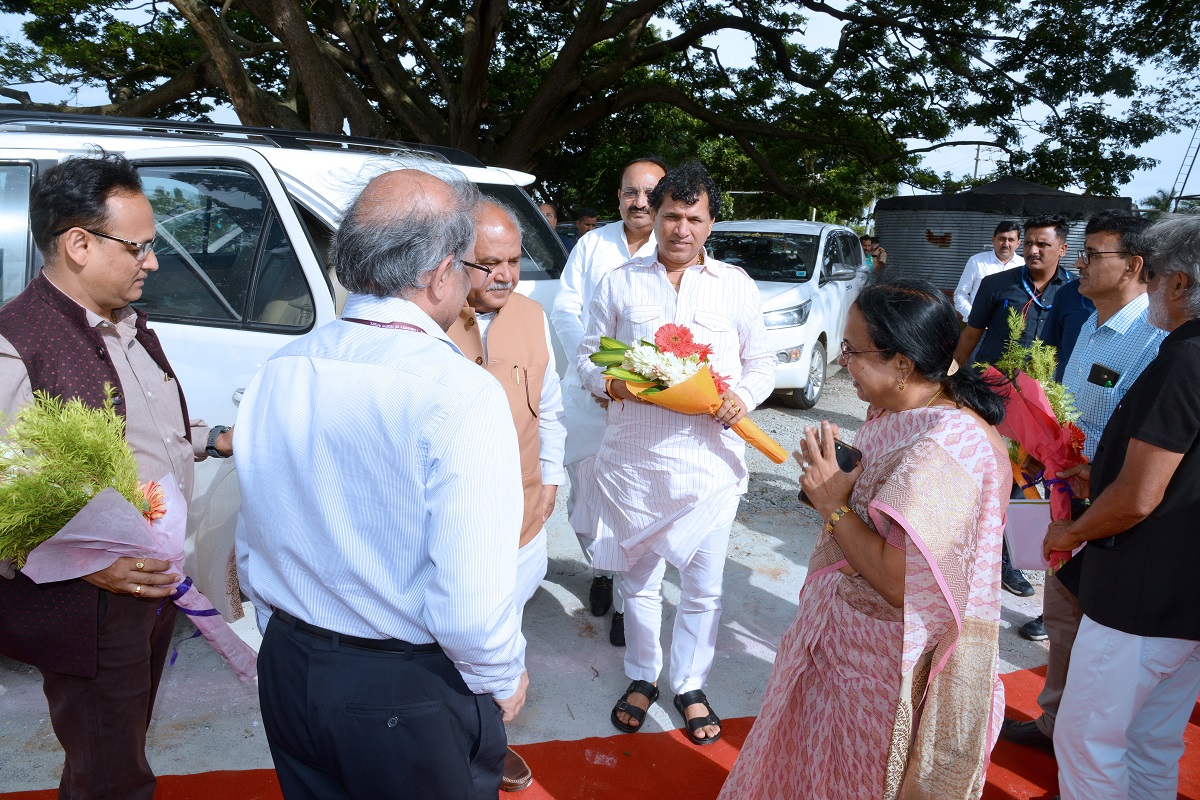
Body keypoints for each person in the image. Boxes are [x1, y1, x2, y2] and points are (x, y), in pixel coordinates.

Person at [235, 168, 529, 799]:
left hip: (290, 665)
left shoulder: (281, 368)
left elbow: (253, 532)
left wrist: (284, 630)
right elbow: (472, 602)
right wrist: (502, 676)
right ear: (441, 273)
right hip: (400, 690)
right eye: (470, 265)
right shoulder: (459, 392)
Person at [0, 152, 234, 800]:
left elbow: (146, 429)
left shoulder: (127, 324)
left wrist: (213, 439)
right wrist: (86, 564)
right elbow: (7, 495)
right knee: (112, 773)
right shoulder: (17, 344)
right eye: (139, 247)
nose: (152, 263)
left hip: (150, 586)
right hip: (91, 604)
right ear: (79, 244)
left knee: (112, 751)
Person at [720, 279, 1011, 799]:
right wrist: (839, 483)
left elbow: (897, 581)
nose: (843, 362)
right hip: (847, 644)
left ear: (902, 363)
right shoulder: (905, 412)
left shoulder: (944, 444)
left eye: (853, 351)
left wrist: (832, 504)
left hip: (881, 667)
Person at [576, 161, 775, 745]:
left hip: (709, 465)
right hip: (634, 464)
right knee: (638, 584)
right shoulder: (619, 282)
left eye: (693, 218)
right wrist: (615, 385)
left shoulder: (735, 284)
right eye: (670, 216)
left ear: (711, 223)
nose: (680, 229)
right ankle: (643, 675)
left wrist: (740, 398)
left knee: (703, 587)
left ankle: (689, 684)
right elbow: (589, 356)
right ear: (653, 216)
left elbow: (762, 362)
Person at [1043, 215, 1200, 800]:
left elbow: (1138, 497)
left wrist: (1070, 532)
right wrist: (1100, 473)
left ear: (1179, 284)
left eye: (1154, 275)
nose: (1149, 288)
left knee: (1087, 741)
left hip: (1141, 593)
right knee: (1150, 742)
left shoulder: (1184, 359)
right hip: (1183, 594)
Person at [1001, 211, 1163, 751]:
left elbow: (1147, 439)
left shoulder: (1154, 339)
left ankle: (1087, 743)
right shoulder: (1089, 323)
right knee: (1061, 617)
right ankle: (1055, 723)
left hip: (1113, 510)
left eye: (1093, 255)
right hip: (1066, 498)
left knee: (1101, 636)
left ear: (1133, 266)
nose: (1079, 263)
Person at [446, 200, 566, 792]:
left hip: (523, 515)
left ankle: (491, 743)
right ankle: (453, 745)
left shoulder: (533, 316)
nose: (505, 275)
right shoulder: (427, 320)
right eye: (489, 262)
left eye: (515, 261)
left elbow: (554, 410)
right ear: (452, 260)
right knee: (450, 642)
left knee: (506, 632)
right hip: (452, 521)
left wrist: (551, 484)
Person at [550, 155, 667, 646]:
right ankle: (601, 570)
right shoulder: (591, 245)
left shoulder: (674, 248)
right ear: (618, 197)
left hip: (645, 402)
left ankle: (624, 600)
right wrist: (597, 374)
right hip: (588, 396)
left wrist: (631, 381)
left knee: (634, 504)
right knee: (585, 499)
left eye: (650, 193)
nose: (640, 202)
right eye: (630, 192)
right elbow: (565, 308)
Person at [954, 213, 1073, 599]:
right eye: (1030, 243)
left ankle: (1006, 560)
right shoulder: (996, 284)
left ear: (1062, 249)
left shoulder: (1075, 293)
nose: (1034, 250)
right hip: (991, 397)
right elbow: (970, 336)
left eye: (1043, 244)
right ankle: (965, 549)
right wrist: (949, 382)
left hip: (1040, 407)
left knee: (1025, 482)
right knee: (982, 473)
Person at [953, 221, 1024, 321]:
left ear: (1018, 243)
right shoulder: (976, 261)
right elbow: (960, 295)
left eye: (1011, 240)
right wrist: (975, 318)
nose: (1006, 244)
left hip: (1012, 327)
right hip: (978, 326)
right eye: (1002, 239)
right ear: (993, 240)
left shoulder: (1024, 265)